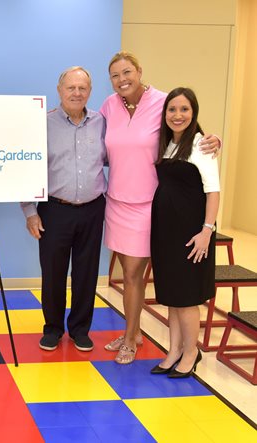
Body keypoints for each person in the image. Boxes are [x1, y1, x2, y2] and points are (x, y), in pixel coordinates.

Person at [100, 51, 221, 364]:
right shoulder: (109, 106)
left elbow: (190, 133)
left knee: (137, 275)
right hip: (118, 201)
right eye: (115, 75)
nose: (122, 80)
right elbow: (98, 145)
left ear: (140, 71)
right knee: (130, 275)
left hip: (153, 205)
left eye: (127, 72)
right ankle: (135, 332)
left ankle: (132, 339)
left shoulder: (164, 102)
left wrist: (213, 140)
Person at [21, 67, 106, 352]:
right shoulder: (40, 124)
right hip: (54, 210)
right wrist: (30, 212)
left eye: (82, 88)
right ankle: (53, 329)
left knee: (87, 272)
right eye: (71, 88)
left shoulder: (101, 123)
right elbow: (27, 168)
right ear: (59, 90)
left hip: (93, 209)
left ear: (90, 92)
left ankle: (80, 329)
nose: (76, 93)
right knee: (54, 273)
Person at [149, 88, 219, 377]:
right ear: (165, 114)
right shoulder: (167, 144)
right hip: (166, 232)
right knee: (172, 296)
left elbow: (213, 191)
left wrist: (207, 231)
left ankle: (192, 352)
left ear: (194, 113)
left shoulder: (202, 146)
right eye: (172, 110)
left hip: (192, 234)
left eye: (184, 109)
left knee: (188, 298)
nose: (177, 115)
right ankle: (174, 350)